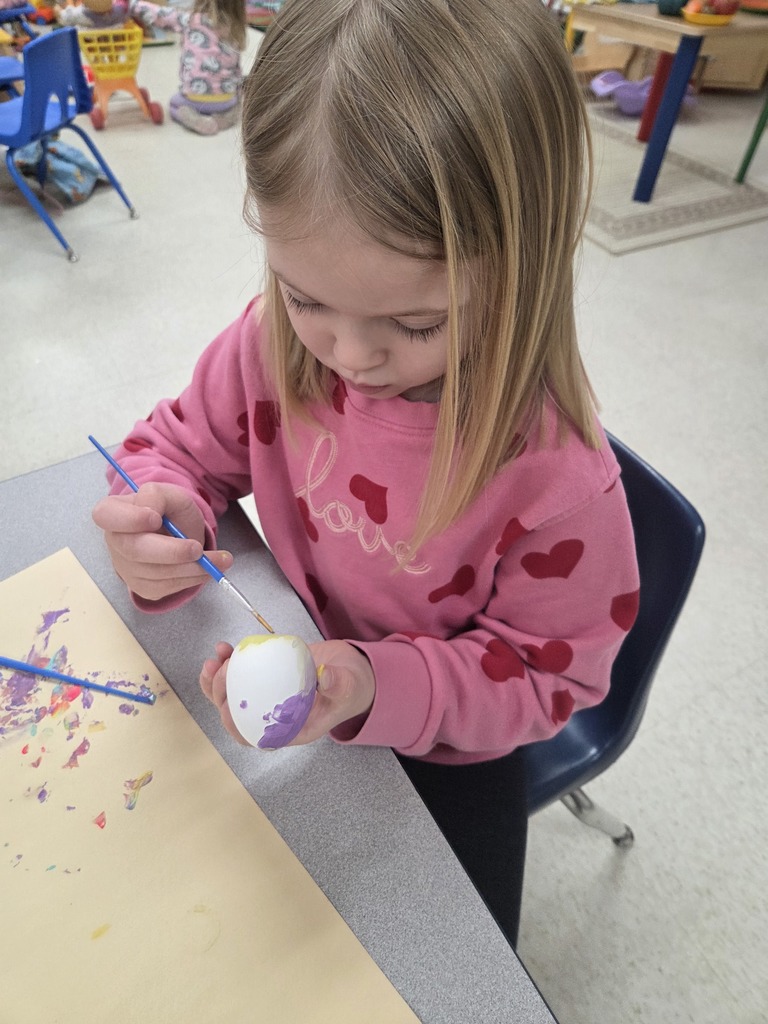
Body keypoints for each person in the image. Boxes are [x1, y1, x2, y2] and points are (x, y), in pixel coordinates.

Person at [92, 0, 640, 948]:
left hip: (449, 747)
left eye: (416, 324)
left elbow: (548, 678)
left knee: (425, 963)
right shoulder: (272, 345)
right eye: (306, 297)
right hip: (301, 685)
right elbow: (174, 446)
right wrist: (159, 507)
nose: (351, 355)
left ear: (525, 264)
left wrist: (370, 683)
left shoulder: (554, 477)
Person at [127, 0, 246, 135]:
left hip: (194, 99)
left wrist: (131, 4)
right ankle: (226, 118)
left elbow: (158, 14)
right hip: (226, 101)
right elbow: (237, 71)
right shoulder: (236, 27)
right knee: (237, 101)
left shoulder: (190, 20)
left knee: (174, 103)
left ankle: (197, 121)